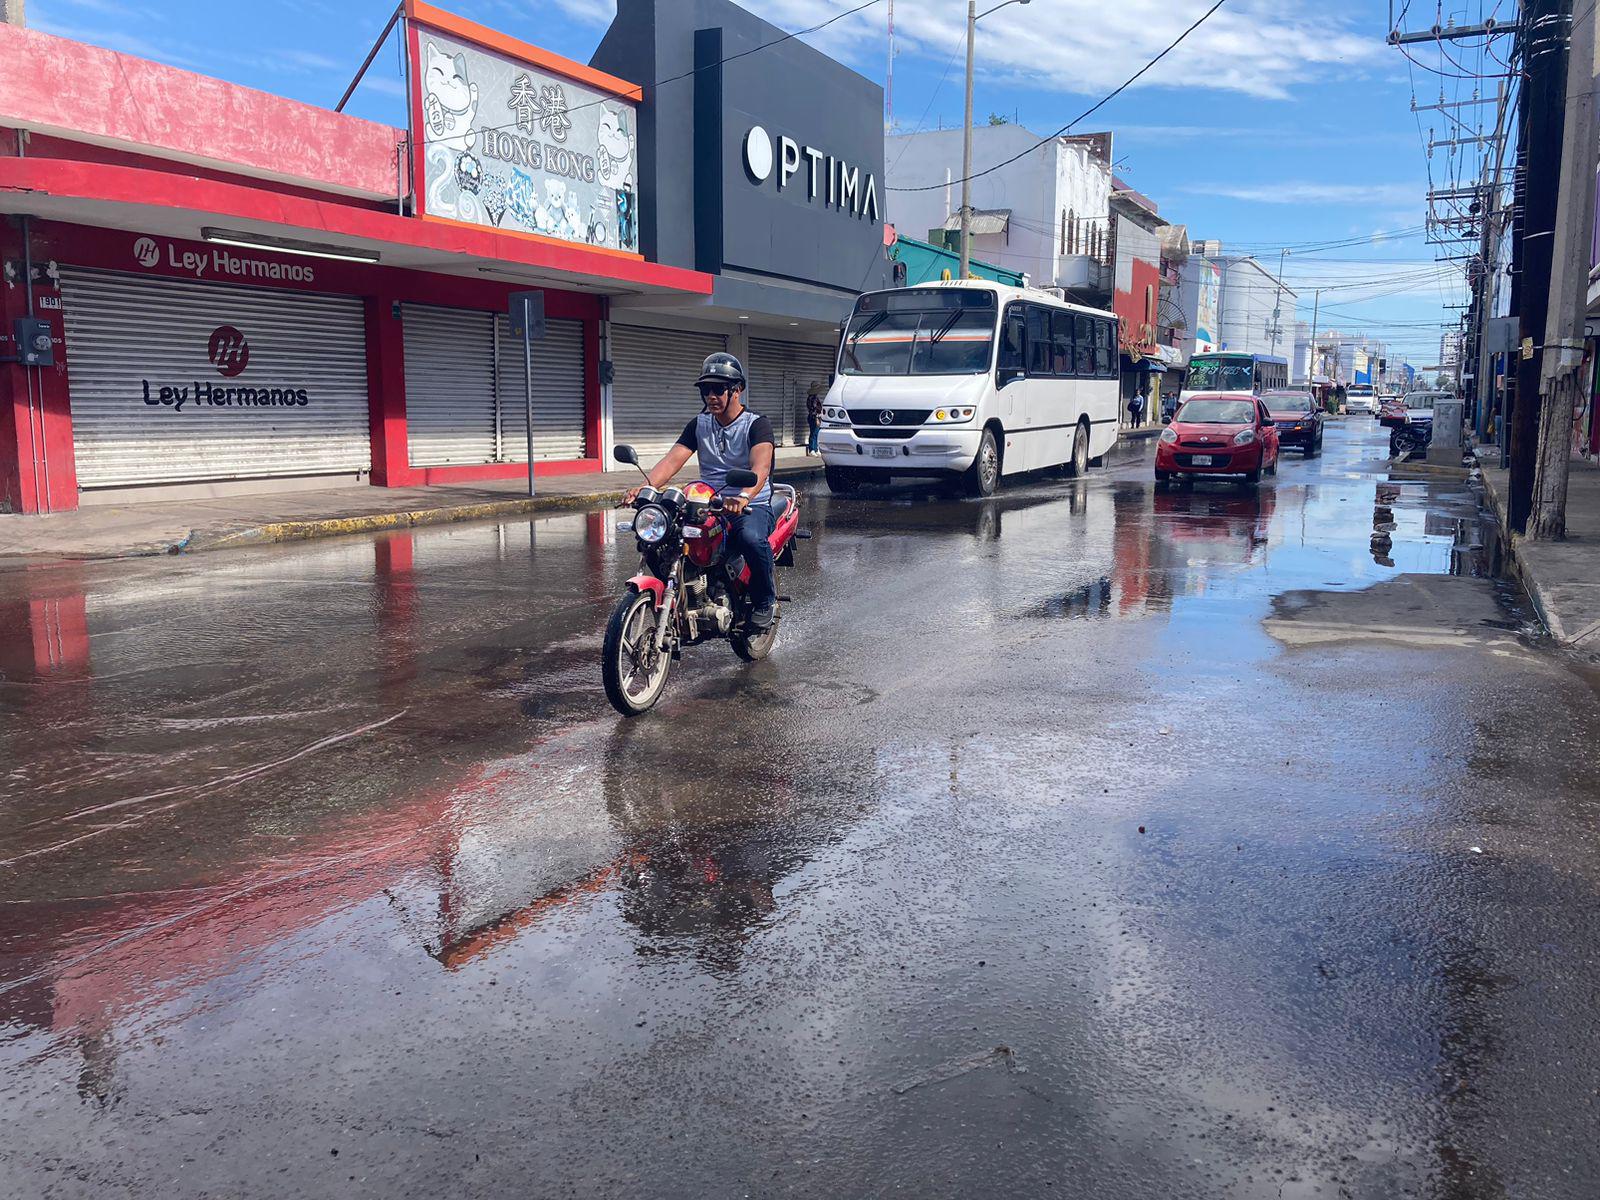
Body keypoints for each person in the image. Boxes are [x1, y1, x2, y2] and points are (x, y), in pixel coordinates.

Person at [624, 353, 778, 629]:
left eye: (718, 389)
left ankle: (766, 600)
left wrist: (743, 496)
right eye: (706, 389)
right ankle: (686, 595)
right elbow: (673, 460)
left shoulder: (757, 424)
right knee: (664, 539)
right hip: (709, 503)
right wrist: (647, 487)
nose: (711, 395)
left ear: (737, 390)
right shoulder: (700, 424)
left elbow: (761, 467)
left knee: (750, 538)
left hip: (751, 504)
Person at [805, 383, 823, 456]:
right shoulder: (812, 398)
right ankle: (812, 449)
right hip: (814, 417)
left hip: (815, 417)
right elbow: (813, 410)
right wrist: (817, 418)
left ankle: (815, 449)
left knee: (816, 433)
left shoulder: (814, 397)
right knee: (813, 433)